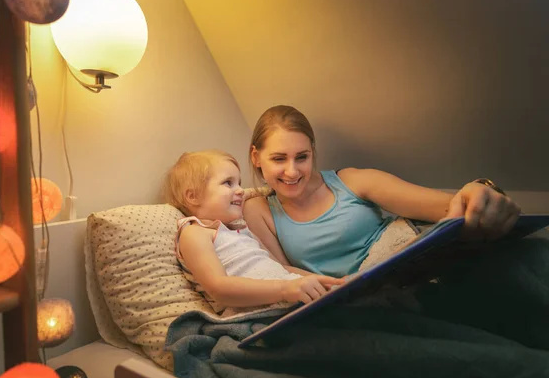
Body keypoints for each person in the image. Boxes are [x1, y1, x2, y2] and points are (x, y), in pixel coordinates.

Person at [244, 105, 522, 278]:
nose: (292, 171)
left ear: (313, 152)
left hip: (408, 275)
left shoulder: (352, 182)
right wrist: (338, 287)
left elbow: (447, 207)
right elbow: (281, 274)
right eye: (279, 159)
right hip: (345, 301)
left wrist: (476, 192)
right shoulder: (258, 210)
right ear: (256, 157)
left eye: (302, 157)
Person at [162, 150, 344, 313]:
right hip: (259, 310)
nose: (240, 190)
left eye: (239, 183)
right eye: (228, 183)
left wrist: (326, 281)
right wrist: (284, 290)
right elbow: (219, 288)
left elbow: (281, 268)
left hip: (292, 297)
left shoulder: (241, 230)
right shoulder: (195, 232)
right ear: (193, 196)